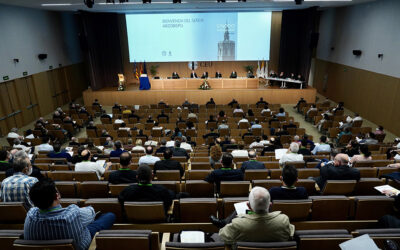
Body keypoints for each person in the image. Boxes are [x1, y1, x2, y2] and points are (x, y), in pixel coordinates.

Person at [24, 178, 115, 250]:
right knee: (109, 216)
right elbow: (91, 211)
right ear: (57, 195)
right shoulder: (73, 213)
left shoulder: (30, 215)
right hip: (82, 244)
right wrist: (80, 210)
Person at [216, 186, 294, 244]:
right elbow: (290, 233)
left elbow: (222, 235)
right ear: (270, 205)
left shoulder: (237, 224)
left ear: (248, 206)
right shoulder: (284, 220)